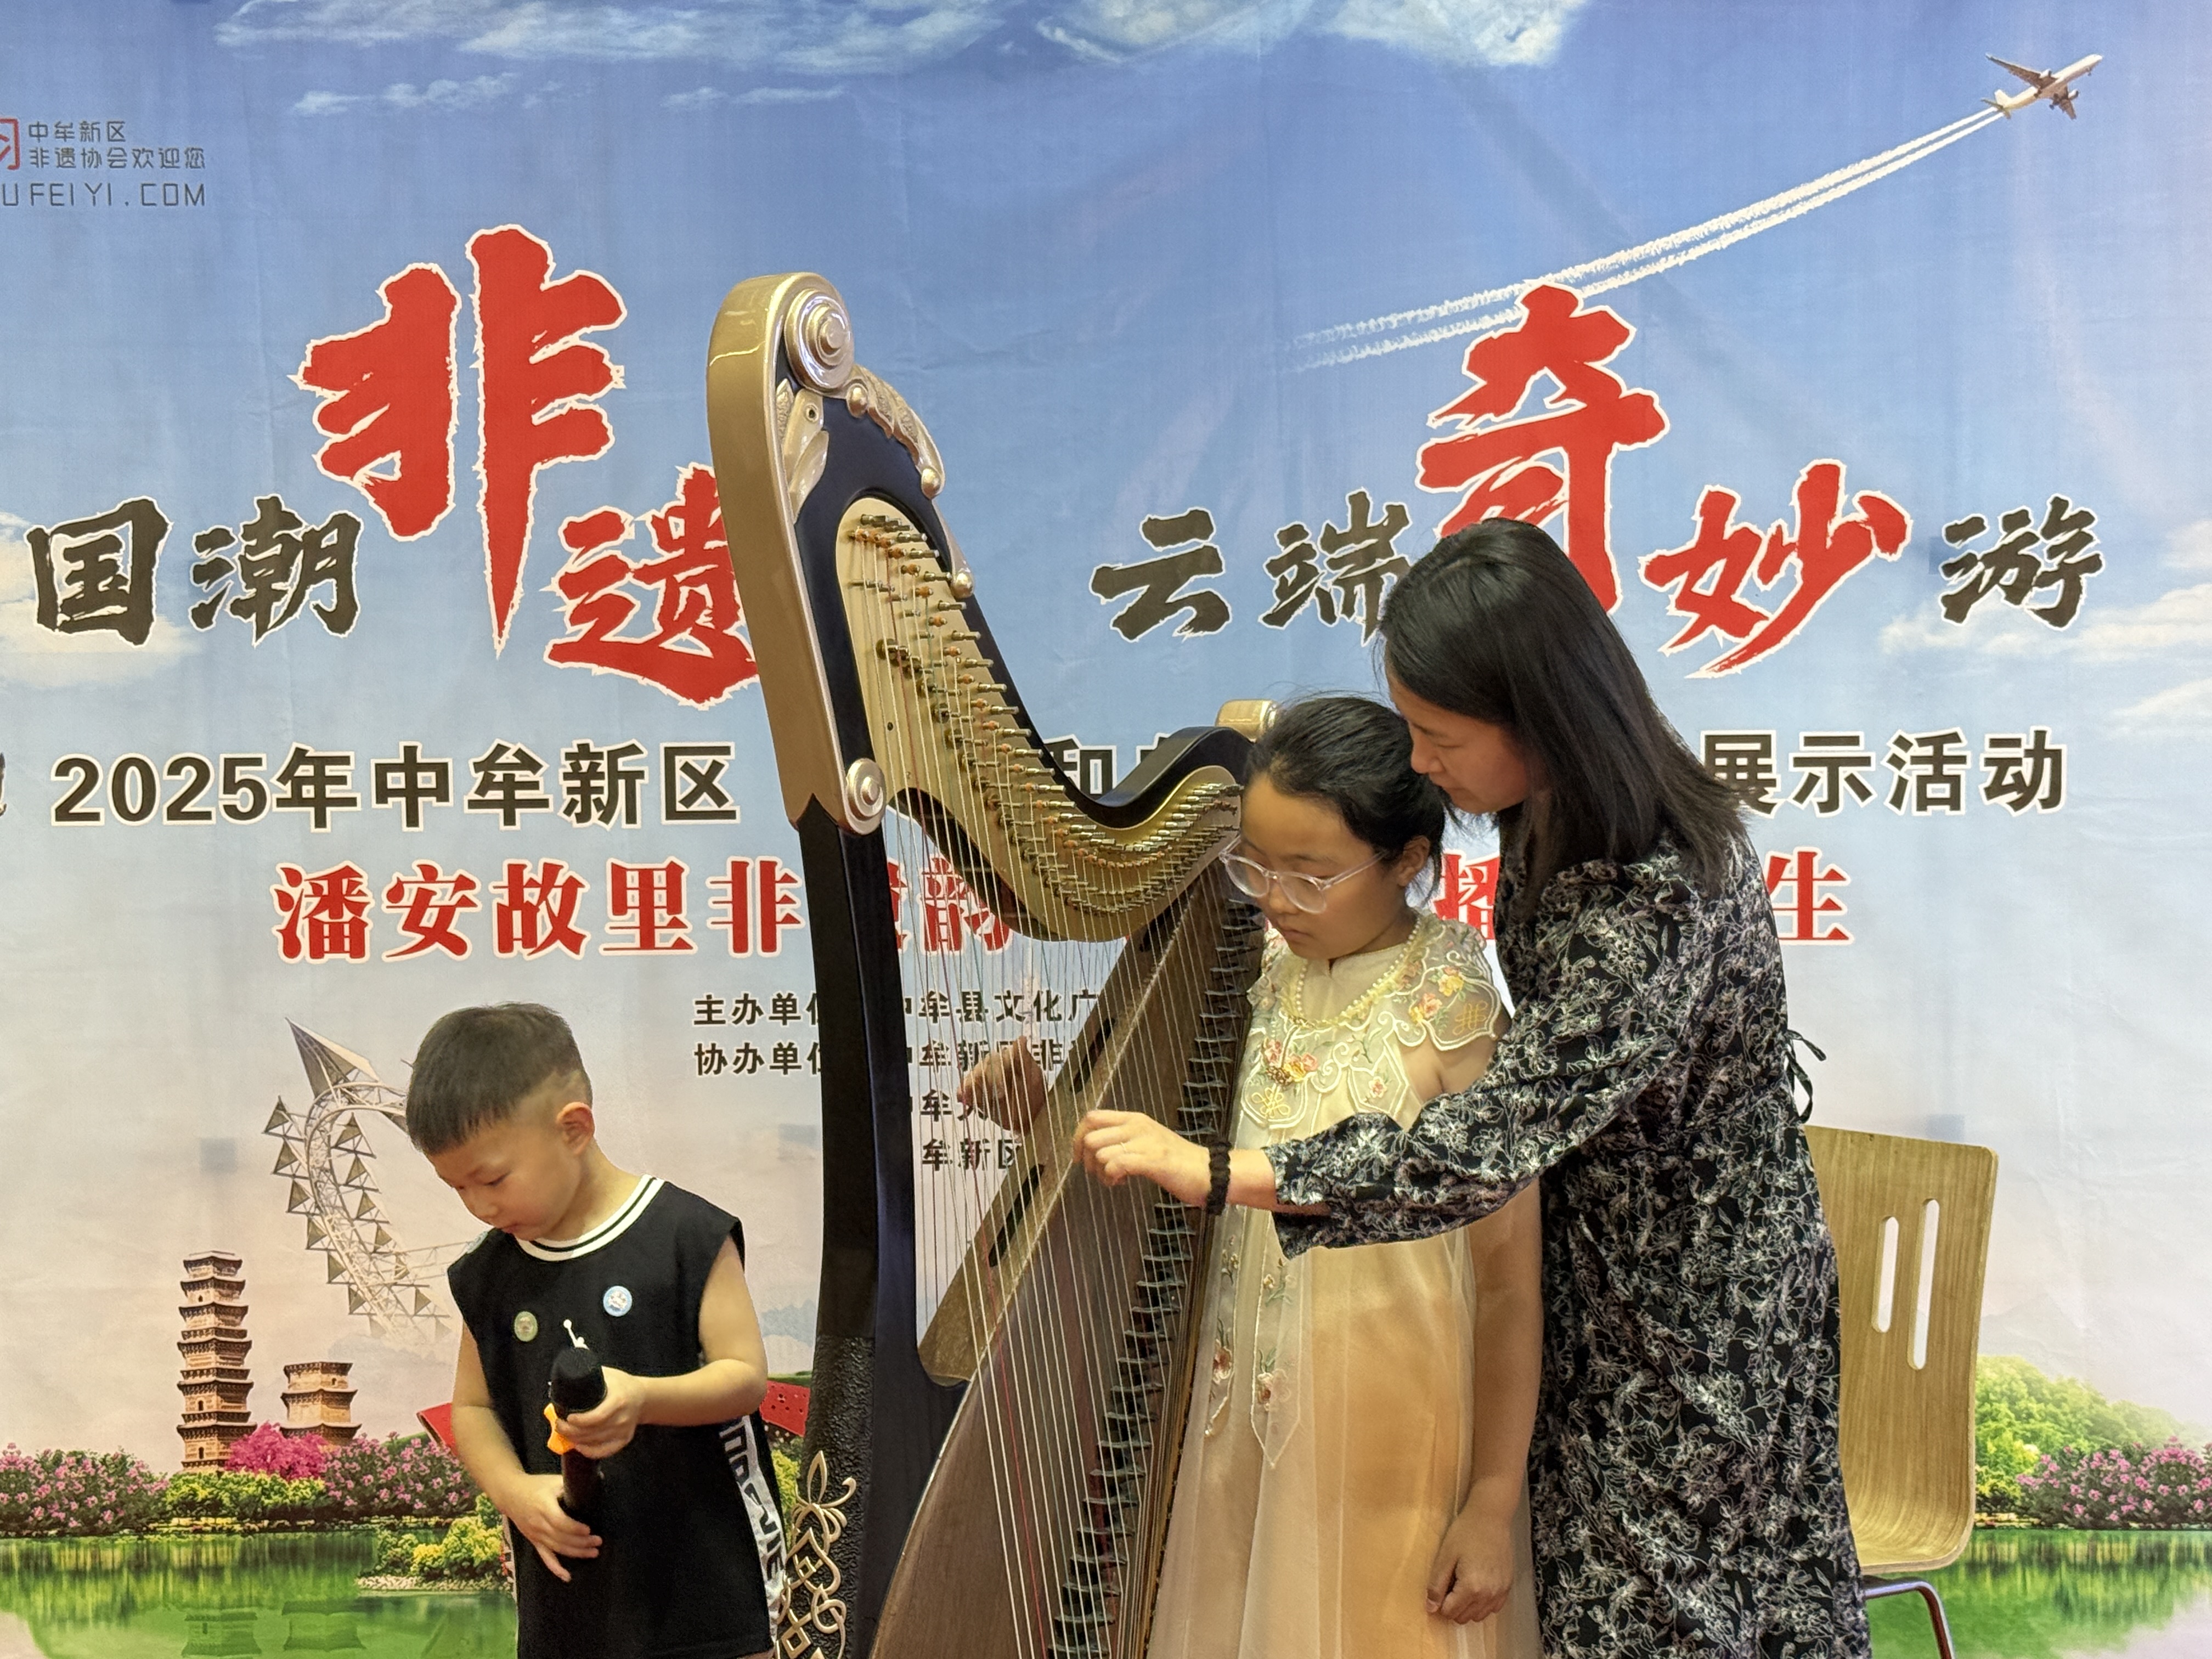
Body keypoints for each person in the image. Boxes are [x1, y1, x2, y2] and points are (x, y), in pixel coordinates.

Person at [1077, 520, 1870, 1659]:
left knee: (1664, 1616)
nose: (1422, 762)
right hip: (1590, 1264)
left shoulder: (1653, 890)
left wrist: (1224, 1171)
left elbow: (1486, 1140)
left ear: (1539, 714)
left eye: (1439, 735)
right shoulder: (1550, 812)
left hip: (1690, 1314)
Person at [1139, 696, 1544, 1659]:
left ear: (1407, 859)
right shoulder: (1250, 975)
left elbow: (1507, 1281)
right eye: (1255, 867)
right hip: (1234, 1408)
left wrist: (1491, 1501)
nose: (1276, 900)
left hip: (1393, 1418)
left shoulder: (1452, 1001)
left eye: (1311, 876)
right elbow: (1193, 1167)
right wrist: (1042, 1112)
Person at [407, 1002, 781, 1659]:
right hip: (571, 1597)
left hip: (707, 1584)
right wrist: (515, 1493)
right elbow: (473, 1409)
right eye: (456, 1188)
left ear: (573, 1129)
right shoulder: (487, 1275)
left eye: (492, 1179)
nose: (480, 1206)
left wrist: (643, 1398)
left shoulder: (686, 1235)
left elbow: (745, 1378)